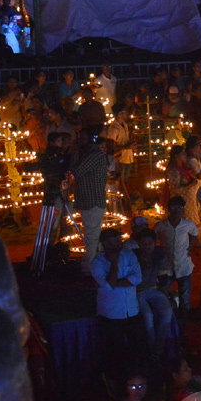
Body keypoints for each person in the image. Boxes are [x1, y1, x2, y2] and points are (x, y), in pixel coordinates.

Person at [90, 227, 147, 379]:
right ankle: (116, 379)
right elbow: (109, 285)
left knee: (137, 345)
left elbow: (137, 278)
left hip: (132, 310)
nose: (119, 242)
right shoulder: (97, 263)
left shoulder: (129, 255)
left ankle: (136, 375)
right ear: (105, 244)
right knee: (115, 350)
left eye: (119, 239)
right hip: (112, 313)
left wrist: (114, 283)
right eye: (114, 240)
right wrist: (114, 264)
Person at [133, 227, 174, 362]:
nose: (147, 246)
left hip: (154, 289)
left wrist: (167, 293)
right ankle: (153, 350)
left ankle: (158, 349)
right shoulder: (133, 256)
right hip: (138, 293)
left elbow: (162, 276)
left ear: (155, 243)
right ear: (138, 244)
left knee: (167, 311)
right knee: (148, 316)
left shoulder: (159, 253)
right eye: (143, 243)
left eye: (149, 243)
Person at [154, 195, 198, 313]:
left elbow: (194, 233)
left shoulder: (188, 224)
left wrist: (190, 247)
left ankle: (185, 315)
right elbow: (154, 239)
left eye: (180, 207)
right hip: (166, 266)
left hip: (183, 265)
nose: (177, 210)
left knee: (185, 294)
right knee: (162, 291)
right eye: (173, 207)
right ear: (169, 209)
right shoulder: (161, 226)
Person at [74, 132, 110, 272]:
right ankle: (97, 263)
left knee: (92, 235)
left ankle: (89, 266)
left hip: (92, 200)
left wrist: (75, 152)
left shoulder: (94, 156)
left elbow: (77, 171)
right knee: (93, 233)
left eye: (81, 137)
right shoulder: (90, 155)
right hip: (89, 200)